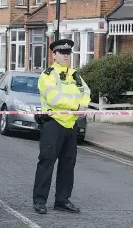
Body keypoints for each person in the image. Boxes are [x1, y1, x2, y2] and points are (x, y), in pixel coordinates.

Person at [32, 39, 91, 215]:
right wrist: (75, 106)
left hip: (71, 125)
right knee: (47, 163)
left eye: (68, 54)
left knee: (68, 164)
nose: (66, 56)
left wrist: (83, 106)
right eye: (62, 53)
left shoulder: (75, 75)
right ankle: (40, 201)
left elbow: (86, 93)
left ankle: (62, 200)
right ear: (54, 55)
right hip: (53, 124)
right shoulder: (48, 75)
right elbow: (53, 98)